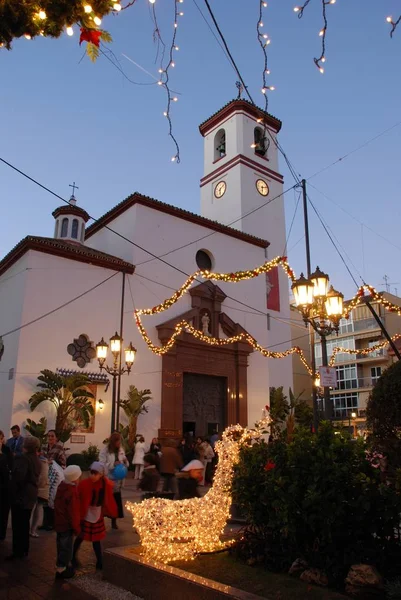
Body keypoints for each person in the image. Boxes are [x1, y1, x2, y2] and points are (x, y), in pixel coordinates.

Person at [72, 462, 117, 571]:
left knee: (96, 539)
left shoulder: (105, 484)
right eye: (91, 473)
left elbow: (108, 498)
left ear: (101, 474)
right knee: (80, 536)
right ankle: (73, 556)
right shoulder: (84, 484)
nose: (92, 475)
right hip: (86, 513)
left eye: (95, 473)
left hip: (97, 513)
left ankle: (99, 561)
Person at [7, 436, 41, 560]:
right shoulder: (36, 459)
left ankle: (18, 552)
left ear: (24, 446)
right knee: (25, 522)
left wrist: (13, 490)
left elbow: (19, 477)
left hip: (22, 494)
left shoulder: (23, 458)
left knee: (18, 524)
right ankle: (24, 549)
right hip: (31, 494)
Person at [54, 465, 82, 579]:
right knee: (66, 548)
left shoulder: (62, 486)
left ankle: (61, 566)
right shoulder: (72, 492)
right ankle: (62, 570)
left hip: (59, 522)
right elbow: (73, 513)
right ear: (75, 478)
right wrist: (77, 528)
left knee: (60, 545)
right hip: (67, 525)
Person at [99, 432, 129, 529]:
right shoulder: (105, 451)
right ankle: (101, 520)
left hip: (118, 480)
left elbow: (125, 460)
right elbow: (101, 464)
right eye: (118, 440)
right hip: (109, 479)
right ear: (114, 441)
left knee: (116, 501)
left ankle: (114, 520)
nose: (119, 442)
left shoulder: (121, 450)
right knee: (106, 501)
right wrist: (112, 465)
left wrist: (125, 462)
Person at [30, 451, 49, 537]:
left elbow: (43, 477)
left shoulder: (42, 462)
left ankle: (32, 530)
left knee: (34, 509)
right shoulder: (43, 461)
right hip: (40, 489)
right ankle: (32, 530)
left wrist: (36, 485)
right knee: (36, 509)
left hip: (38, 489)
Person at [0, 430, 12, 540]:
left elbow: (9, 466)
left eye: (0, 438)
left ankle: (2, 534)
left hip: (4, 487)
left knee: (3, 513)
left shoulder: (6, 450)